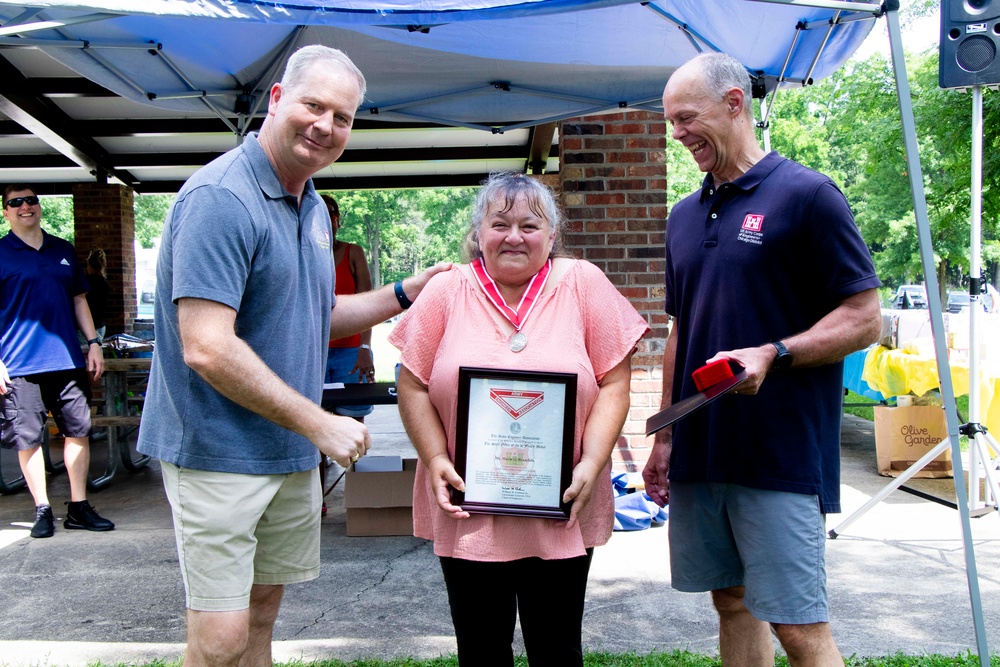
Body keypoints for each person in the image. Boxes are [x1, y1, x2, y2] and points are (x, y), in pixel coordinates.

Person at [135, 45, 448, 667]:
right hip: (217, 449)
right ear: (276, 99)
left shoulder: (309, 205)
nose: (326, 126)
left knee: (263, 612)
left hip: (285, 453)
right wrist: (319, 423)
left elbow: (317, 313)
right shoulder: (222, 199)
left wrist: (406, 292)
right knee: (220, 636)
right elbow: (205, 346)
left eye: (343, 117)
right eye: (314, 105)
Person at [641, 53, 882, 667]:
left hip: (779, 453)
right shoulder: (683, 217)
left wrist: (775, 353)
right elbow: (680, 330)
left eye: (686, 117)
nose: (677, 134)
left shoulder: (809, 196)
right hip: (704, 448)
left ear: (734, 102)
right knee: (731, 601)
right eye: (670, 122)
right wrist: (666, 438)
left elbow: (864, 318)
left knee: (799, 627)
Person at [390, 171, 648, 666]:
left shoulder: (582, 283)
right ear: (478, 233)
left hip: (561, 501)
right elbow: (413, 383)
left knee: (557, 649)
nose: (513, 236)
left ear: (552, 236)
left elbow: (615, 381)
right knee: (481, 650)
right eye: (499, 223)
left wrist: (594, 462)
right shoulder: (447, 291)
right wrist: (435, 456)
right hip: (471, 505)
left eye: (530, 225)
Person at [0, 184, 114, 538]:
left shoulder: (62, 250)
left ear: (39, 206)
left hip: (66, 360)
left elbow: (80, 301)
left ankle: (79, 507)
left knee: (78, 431)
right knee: (28, 439)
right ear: (5, 212)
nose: (24, 207)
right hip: (18, 365)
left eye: (30, 200)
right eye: (15, 202)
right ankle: (43, 509)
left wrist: (93, 343)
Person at [319, 194, 373, 514]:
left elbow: (367, 301)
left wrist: (365, 348)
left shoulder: (353, 252)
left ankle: (362, 498)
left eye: (331, 214)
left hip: (350, 353)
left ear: (338, 219)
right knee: (311, 431)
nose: (325, 220)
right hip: (312, 354)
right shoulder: (301, 250)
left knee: (354, 428)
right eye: (318, 214)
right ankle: (317, 499)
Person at [80, 248, 110, 344]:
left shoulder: (85, 282)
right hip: (100, 325)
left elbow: (79, 303)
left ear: (89, 264)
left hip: (86, 326)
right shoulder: (104, 283)